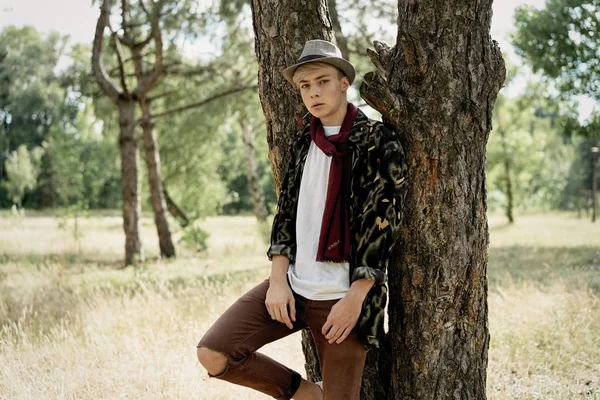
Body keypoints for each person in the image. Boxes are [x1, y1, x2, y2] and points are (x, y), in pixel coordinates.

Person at [197, 39, 407, 400]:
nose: (313, 93)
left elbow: (382, 225)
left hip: (342, 297)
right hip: (294, 286)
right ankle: (307, 395)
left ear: (344, 83)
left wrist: (355, 299)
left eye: (323, 81)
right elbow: (286, 214)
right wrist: (278, 280)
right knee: (214, 353)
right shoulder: (302, 143)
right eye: (305, 86)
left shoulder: (377, 140)